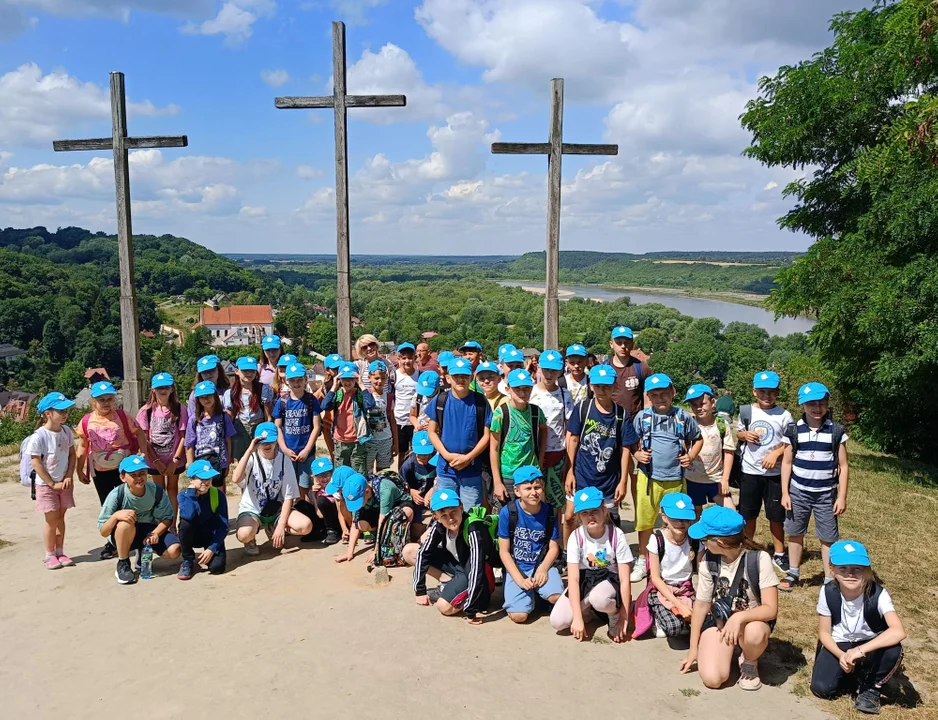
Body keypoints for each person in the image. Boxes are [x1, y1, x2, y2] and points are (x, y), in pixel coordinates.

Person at [680, 506, 779, 691]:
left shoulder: (759, 559)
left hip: (750, 623)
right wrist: (693, 647)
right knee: (712, 679)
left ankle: (749, 660)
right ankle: (725, 651)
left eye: (704, 539)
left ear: (720, 542)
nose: (702, 544)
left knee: (755, 633)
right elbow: (701, 605)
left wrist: (739, 617)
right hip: (719, 622)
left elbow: (771, 609)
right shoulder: (709, 561)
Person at [811, 540, 906, 715]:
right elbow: (824, 633)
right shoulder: (827, 592)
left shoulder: (878, 594)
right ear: (832, 570)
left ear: (867, 571)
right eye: (843, 569)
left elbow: (898, 630)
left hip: (869, 644)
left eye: (857, 569)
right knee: (822, 689)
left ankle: (871, 688)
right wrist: (841, 656)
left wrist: (859, 651)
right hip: (840, 644)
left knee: (894, 648)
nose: (850, 574)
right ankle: (855, 674)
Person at [632, 373, 702, 582]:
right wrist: (637, 454)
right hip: (648, 479)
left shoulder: (683, 417)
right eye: (655, 394)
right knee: (645, 522)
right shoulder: (642, 417)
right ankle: (643, 559)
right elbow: (630, 442)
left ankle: (673, 560)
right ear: (648, 396)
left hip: (675, 480)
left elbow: (698, 439)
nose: (660, 398)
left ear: (673, 393)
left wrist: (690, 456)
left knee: (676, 522)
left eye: (664, 393)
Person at [780, 382, 850, 591]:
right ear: (802, 405)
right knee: (795, 532)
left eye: (821, 403)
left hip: (826, 494)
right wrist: (785, 492)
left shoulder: (836, 431)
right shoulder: (793, 430)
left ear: (827, 404)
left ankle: (829, 578)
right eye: (811, 404)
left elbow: (844, 466)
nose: (816, 408)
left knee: (828, 537)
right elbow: (786, 463)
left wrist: (842, 497)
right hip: (798, 492)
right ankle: (793, 572)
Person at [550, 486, 632, 642]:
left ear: (604, 510)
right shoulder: (576, 536)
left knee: (599, 599)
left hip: (609, 579)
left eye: (594, 510)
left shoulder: (616, 535)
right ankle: (587, 608)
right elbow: (573, 580)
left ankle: (611, 613)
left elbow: (624, 579)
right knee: (558, 622)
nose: (590, 517)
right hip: (586, 578)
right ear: (579, 516)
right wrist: (578, 618)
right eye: (584, 513)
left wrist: (624, 614)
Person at [403, 488, 496, 623]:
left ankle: (470, 597)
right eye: (444, 515)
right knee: (410, 551)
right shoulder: (439, 526)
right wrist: (420, 591)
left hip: (478, 575)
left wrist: (471, 610)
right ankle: (448, 584)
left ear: (461, 507)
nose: (451, 519)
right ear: (436, 517)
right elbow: (424, 553)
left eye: (453, 512)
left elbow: (477, 568)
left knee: (444, 607)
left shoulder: (473, 528)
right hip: (457, 565)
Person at [75, 381, 144, 559]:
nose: (106, 402)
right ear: (93, 401)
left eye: (109, 399)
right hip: (101, 470)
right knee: (108, 505)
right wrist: (79, 469)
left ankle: (134, 538)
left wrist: (143, 452)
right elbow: (83, 446)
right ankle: (114, 541)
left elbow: (139, 432)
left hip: (125, 469)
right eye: (101, 399)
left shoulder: (122, 416)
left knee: (130, 502)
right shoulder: (86, 421)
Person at [565, 364, 638, 530]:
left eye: (606, 386)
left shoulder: (622, 414)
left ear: (614, 386)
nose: (602, 390)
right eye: (597, 386)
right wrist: (569, 471)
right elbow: (573, 439)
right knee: (570, 517)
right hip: (582, 474)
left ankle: (606, 554)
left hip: (608, 479)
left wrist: (623, 481)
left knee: (606, 520)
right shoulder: (583, 408)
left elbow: (625, 449)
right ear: (591, 386)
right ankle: (569, 553)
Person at [737, 370, 795, 573]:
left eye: (771, 392)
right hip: (750, 473)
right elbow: (738, 433)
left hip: (775, 476)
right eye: (762, 391)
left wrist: (776, 454)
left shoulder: (784, 415)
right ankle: (747, 548)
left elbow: (791, 443)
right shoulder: (746, 411)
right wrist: (743, 435)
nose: (766, 396)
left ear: (778, 393)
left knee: (776, 516)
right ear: (754, 392)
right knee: (748, 515)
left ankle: (779, 554)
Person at [97, 455, 181, 585]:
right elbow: (103, 531)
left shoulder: (155, 490)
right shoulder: (117, 495)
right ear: (123, 477)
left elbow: (167, 518)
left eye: (142, 473)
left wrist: (156, 533)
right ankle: (123, 562)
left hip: (149, 530)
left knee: (174, 550)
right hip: (124, 533)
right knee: (125, 524)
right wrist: (115, 516)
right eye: (133, 475)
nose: (139, 478)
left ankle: (142, 553)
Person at [232, 422, 313, 556]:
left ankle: (274, 527)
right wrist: (249, 451)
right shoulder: (252, 458)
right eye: (262, 442)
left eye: (271, 441)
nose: (267, 445)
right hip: (253, 509)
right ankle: (251, 540)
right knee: (243, 534)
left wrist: (281, 526)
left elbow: (289, 496)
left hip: (276, 509)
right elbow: (235, 479)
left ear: (277, 440)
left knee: (305, 526)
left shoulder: (284, 461)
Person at [497, 466, 564, 623]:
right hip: (518, 566)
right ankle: (525, 596)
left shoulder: (551, 512)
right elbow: (504, 552)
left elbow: (554, 548)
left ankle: (538, 594)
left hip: (540, 564)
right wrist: (520, 579)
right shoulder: (508, 512)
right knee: (519, 616)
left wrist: (543, 568)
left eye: (537, 487)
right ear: (517, 491)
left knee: (556, 598)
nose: (533, 492)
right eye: (527, 488)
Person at [428, 357, 493, 510]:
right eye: (456, 376)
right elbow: (432, 432)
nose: (460, 380)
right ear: (448, 378)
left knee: (472, 512)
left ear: (471, 377)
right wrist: (446, 454)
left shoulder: (480, 402)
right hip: (446, 468)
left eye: (464, 376)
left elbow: (487, 435)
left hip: (471, 469)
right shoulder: (440, 400)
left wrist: (468, 457)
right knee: (446, 510)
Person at [27, 392, 77, 569]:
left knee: (61, 517)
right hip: (46, 485)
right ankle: (49, 555)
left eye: (66, 410)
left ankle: (60, 551)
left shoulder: (66, 431)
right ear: (48, 413)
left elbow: (72, 454)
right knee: (51, 519)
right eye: (61, 410)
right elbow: (36, 462)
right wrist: (51, 483)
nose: (65, 414)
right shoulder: (39, 436)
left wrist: (69, 475)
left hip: (65, 482)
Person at [609, 326, 650, 511]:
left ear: (632, 344)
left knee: (635, 475)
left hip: (635, 429)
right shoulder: (604, 369)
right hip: (611, 428)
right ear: (612, 344)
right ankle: (614, 513)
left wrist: (646, 428)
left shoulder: (640, 367)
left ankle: (638, 515)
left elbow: (648, 399)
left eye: (626, 342)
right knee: (612, 471)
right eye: (619, 342)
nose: (623, 346)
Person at [490, 368, 547, 504]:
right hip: (509, 475)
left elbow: (544, 430)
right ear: (508, 389)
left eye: (527, 388)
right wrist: (497, 482)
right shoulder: (501, 413)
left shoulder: (536, 412)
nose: (523, 393)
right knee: (510, 515)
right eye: (517, 389)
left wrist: (540, 459)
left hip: (532, 472)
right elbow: (494, 448)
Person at [137, 373, 187, 523]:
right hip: (154, 460)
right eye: (159, 387)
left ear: (172, 389)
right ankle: (161, 523)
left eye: (166, 387)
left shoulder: (179, 409)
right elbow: (144, 439)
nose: (163, 390)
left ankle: (172, 524)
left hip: (174, 458)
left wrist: (175, 460)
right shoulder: (145, 411)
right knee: (158, 491)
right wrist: (156, 461)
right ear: (153, 389)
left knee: (172, 489)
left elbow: (183, 436)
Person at [334, 470, 415, 564]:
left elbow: (383, 522)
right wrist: (349, 553)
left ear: (367, 491)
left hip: (399, 504)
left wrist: (376, 550)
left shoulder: (385, 490)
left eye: (358, 502)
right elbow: (354, 523)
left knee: (399, 517)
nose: (357, 505)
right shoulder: (359, 494)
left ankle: (399, 538)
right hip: (376, 507)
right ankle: (382, 536)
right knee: (361, 525)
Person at [645, 493, 697, 638]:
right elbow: (655, 578)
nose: (681, 523)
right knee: (673, 628)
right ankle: (657, 616)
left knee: (704, 621)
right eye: (675, 518)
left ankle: (682, 618)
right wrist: (679, 605)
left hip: (687, 589)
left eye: (686, 519)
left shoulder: (695, 540)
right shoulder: (657, 539)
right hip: (662, 590)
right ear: (664, 516)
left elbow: (699, 570)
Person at [531, 350, 574, 521]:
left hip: (557, 454)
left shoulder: (565, 395)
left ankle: (556, 540)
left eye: (554, 370)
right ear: (539, 367)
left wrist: (568, 462)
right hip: (533, 454)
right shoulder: (530, 393)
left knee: (557, 503)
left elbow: (569, 429)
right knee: (535, 501)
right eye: (546, 369)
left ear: (560, 371)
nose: (549, 374)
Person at [683, 384, 736, 516]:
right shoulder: (689, 424)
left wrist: (725, 479)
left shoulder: (722, 424)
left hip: (716, 480)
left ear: (712, 402)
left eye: (702, 403)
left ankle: (721, 537)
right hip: (692, 479)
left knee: (731, 513)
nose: (699, 408)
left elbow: (728, 453)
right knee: (694, 515)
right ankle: (695, 537)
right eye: (694, 405)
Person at [272, 361, 322, 498]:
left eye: (300, 379)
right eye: (293, 380)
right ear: (286, 381)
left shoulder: (312, 400)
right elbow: (277, 427)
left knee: (305, 486)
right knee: (287, 485)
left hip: (306, 452)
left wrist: (306, 450)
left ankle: (303, 510)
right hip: (288, 451)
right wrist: (284, 449)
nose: (297, 383)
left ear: (306, 380)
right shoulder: (282, 402)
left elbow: (316, 427)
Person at [176, 459, 229, 579]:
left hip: (209, 535)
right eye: (202, 479)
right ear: (191, 480)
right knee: (185, 524)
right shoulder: (183, 495)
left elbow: (224, 526)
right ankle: (188, 559)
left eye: (209, 478)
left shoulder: (218, 495)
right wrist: (191, 493)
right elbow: (188, 516)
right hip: (192, 536)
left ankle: (209, 552)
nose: (206, 482)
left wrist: (212, 548)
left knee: (217, 567)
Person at [320, 363, 375, 473]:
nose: (347, 382)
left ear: (356, 379)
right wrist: (334, 387)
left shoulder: (359, 394)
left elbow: (370, 404)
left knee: (358, 472)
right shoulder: (338, 394)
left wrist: (361, 384)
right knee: (341, 472)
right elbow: (324, 406)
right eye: (344, 379)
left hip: (357, 440)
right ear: (339, 379)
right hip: (340, 440)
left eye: (351, 379)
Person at [185, 381, 237, 487]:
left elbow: (228, 440)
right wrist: (191, 466)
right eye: (202, 397)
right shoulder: (194, 420)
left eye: (209, 395)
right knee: (202, 492)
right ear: (198, 400)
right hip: (200, 462)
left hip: (219, 462)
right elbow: (189, 445)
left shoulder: (223, 417)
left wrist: (227, 462)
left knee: (218, 492)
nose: (206, 399)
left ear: (215, 396)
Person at [224, 356, 273, 464]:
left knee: (261, 462)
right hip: (240, 429)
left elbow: (268, 415)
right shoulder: (230, 393)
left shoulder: (263, 389)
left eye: (252, 370)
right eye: (245, 370)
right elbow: (229, 419)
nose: (249, 374)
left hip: (258, 428)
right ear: (237, 371)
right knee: (243, 462)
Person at [296, 456, 342, 545]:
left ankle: (333, 531)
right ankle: (318, 531)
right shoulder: (315, 492)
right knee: (301, 504)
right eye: (320, 476)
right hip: (323, 519)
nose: (324, 478)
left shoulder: (337, 488)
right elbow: (319, 515)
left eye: (327, 474)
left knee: (322, 501)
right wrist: (314, 495)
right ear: (314, 477)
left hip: (336, 518)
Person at [364, 360, 397, 472]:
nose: (379, 381)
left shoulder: (388, 397)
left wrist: (395, 443)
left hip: (386, 439)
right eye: (376, 378)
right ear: (369, 377)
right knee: (367, 472)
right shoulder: (365, 395)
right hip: (369, 441)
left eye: (383, 378)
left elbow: (392, 420)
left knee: (383, 472)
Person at [400, 431, 437, 526]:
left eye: (426, 453)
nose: (423, 456)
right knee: (417, 528)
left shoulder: (438, 460)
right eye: (419, 453)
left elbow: (444, 479)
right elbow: (400, 485)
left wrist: (433, 490)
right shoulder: (408, 465)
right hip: (417, 498)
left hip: (434, 494)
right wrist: (411, 491)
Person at [394, 342, 420, 464]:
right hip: (399, 420)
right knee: (402, 452)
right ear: (399, 359)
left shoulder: (419, 375)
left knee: (417, 451)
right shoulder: (394, 375)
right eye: (404, 358)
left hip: (416, 421)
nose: (407, 361)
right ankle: (401, 477)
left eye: (410, 358)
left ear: (415, 358)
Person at [315, 353, 345, 461]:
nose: (338, 370)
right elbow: (316, 401)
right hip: (329, 425)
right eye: (335, 368)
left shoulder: (348, 381)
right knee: (334, 456)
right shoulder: (327, 385)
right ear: (328, 370)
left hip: (345, 426)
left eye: (340, 367)